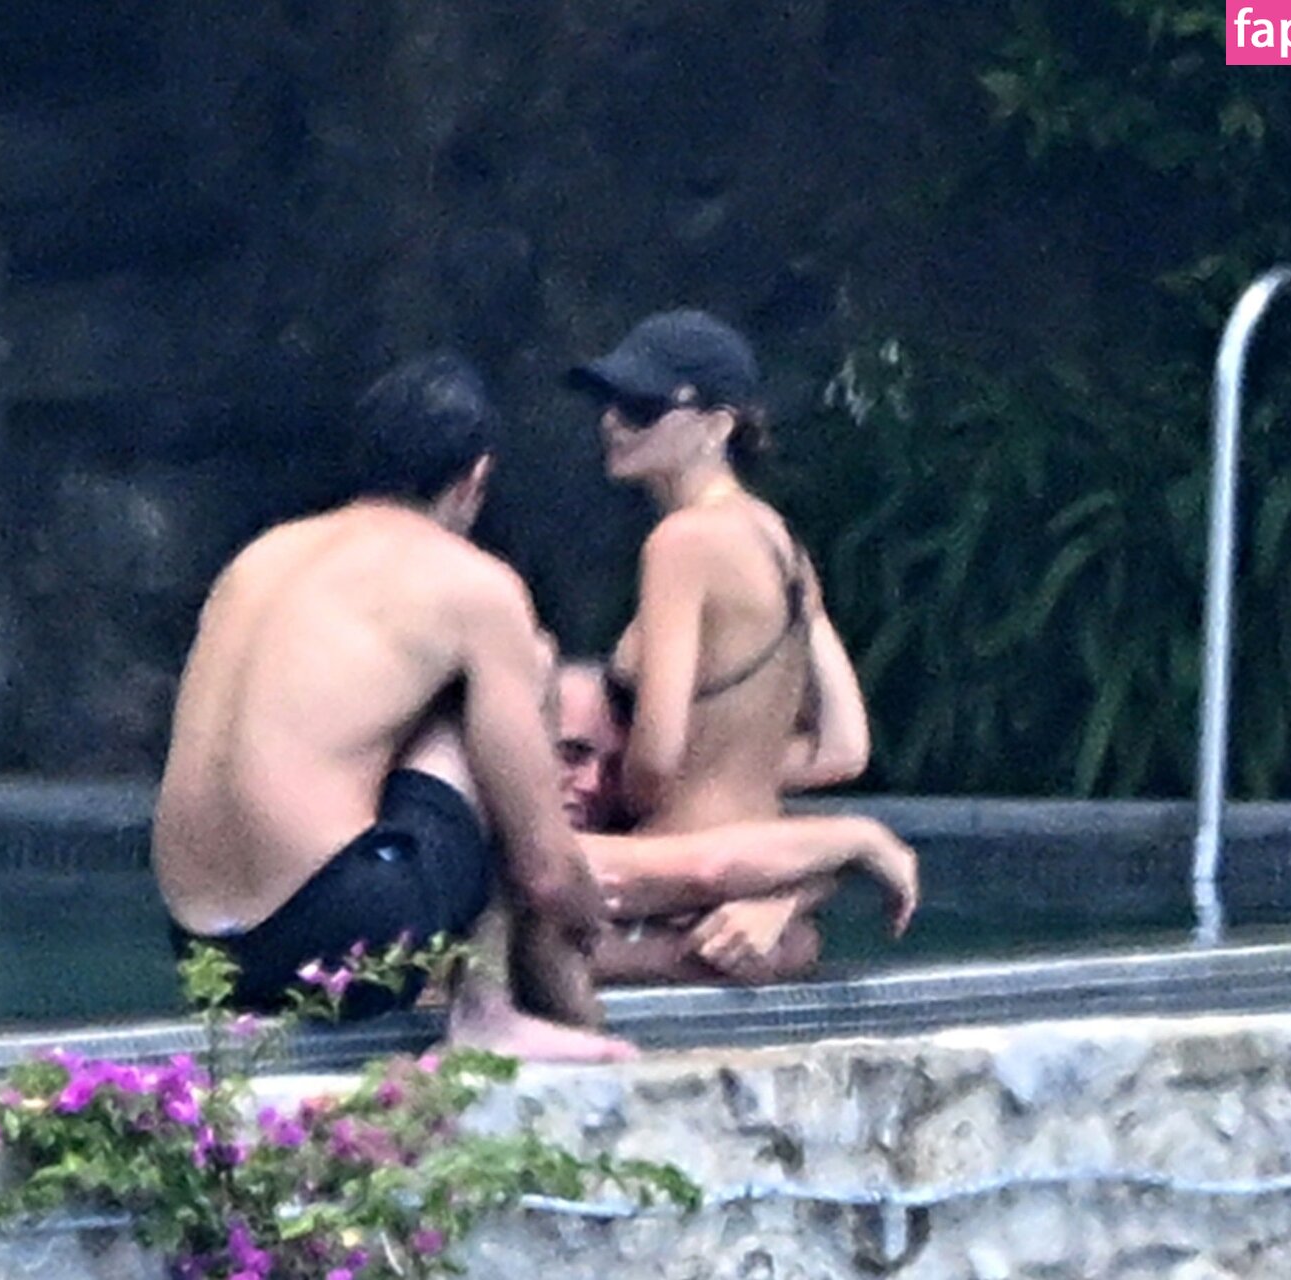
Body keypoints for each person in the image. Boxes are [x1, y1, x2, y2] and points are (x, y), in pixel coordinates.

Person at [154, 353, 634, 1062]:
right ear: (476, 479)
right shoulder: (473, 585)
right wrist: (583, 910)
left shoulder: (256, 559)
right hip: (333, 943)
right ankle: (489, 1009)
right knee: (525, 663)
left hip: (204, 957)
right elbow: (543, 868)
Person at [567, 308, 889, 981]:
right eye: (611, 404)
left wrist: (631, 799)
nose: (614, 423)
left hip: (677, 879)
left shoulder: (680, 543)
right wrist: (727, 777)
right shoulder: (783, 545)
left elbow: (656, 760)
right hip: (755, 877)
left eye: (642, 408)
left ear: (718, 425)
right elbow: (843, 748)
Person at [555, 660, 918, 985]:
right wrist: (860, 838)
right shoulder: (531, 849)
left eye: (616, 768)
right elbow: (707, 869)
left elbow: (840, 753)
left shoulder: (623, 828)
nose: (593, 783)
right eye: (571, 754)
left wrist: (779, 903)